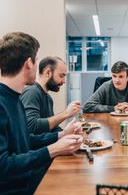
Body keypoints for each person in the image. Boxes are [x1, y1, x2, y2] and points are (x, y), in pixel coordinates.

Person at [0, 32, 83, 194]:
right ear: (29, 63)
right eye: (36, 59)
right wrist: (54, 149)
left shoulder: (15, 99)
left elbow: (25, 141)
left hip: (26, 181)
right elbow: (3, 165)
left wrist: (61, 135)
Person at [20, 56, 80, 134]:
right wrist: (66, 113)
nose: (64, 81)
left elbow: (52, 128)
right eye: (61, 76)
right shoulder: (32, 92)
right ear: (48, 72)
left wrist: (68, 132)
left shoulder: (48, 98)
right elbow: (31, 126)